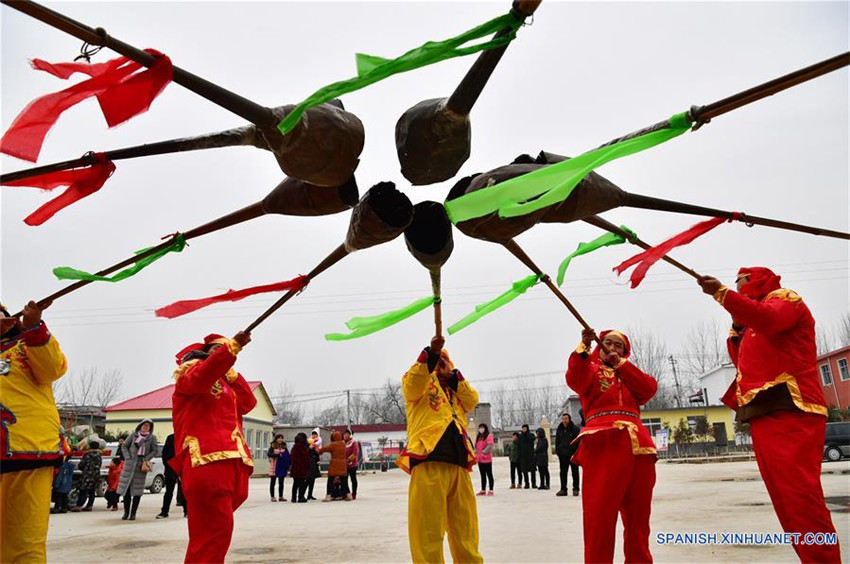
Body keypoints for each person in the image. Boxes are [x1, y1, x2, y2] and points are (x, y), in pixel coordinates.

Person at [698, 267, 841, 562]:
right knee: (785, 502)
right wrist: (737, 327)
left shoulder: (785, 299)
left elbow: (770, 320)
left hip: (792, 408)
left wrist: (722, 294)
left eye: (742, 283)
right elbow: (745, 366)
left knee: (801, 497)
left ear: (760, 281)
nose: (737, 289)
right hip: (763, 412)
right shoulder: (749, 327)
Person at [567, 328, 658, 564]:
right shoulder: (591, 370)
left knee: (639, 517)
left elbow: (649, 389)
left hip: (639, 445)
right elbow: (575, 379)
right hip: (603, 441)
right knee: (599, 516)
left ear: (625, 352)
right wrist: (583, 348)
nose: (613, 348)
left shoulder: (631, 374)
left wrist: (622, 365)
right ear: (599, 346)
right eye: (608, 343)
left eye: (619, 345)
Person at [171, 331, 255, 563]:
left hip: (233, 459)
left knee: (212, 532)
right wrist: (231, 349)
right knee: (215, 532)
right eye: (217, 350)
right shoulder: (190, 373)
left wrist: (232, 373)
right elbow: (202, 377)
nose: (224, 353)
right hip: (207, 459)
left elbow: (249, 403)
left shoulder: (225, 383)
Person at [397, 336, 482, 564]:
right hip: (428, 461)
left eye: (445, 360)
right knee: (428, 533)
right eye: (437, 360)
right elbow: (413, 385)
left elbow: (472, 399)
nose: (441, 363)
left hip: (459, 466)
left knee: (466, 532)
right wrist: (431, 354)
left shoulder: (456, 391)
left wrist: (451, 376)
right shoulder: (419, 384)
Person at [0, 300, 68, 563]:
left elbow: (52, 369)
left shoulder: (27, 344)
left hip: (27, 453)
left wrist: (34, 328)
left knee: (25, 543)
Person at [118, 419, 158, 521]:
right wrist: (127, 456)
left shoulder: (152, 438)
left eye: (148, 426)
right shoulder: (133, 435)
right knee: (126, 490)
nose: (146, 427)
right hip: (129, 465)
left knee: (137, 491)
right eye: (144, 425)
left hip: (140, 467)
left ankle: (133, 513)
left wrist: (146, 458)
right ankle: (126, 512)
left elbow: (155, 450)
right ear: (140, 426)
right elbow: (124, 446)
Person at [157, 433, 186, 518]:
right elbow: (164, 453)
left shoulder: (186, 437)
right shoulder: (170, 438)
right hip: (171, 468)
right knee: (168, 492)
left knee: (184, 491)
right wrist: (168, 464)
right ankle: (164, 512)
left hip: (183, 468)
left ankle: (187, 511)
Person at [71, 440, 102, 512]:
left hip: (87, 475)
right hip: (96, 475)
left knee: (83, 490)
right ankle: (89, 506)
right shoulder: (99, 455)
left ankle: (79, 506)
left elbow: (81, 465)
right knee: (92, 491)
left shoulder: (87, 455)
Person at [318, 431, 350, 501]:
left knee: (330, 480)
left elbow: (325, 449)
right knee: (344, 481)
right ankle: (348, 495)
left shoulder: (333, 444)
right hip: (343, 464)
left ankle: (328, 496)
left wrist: (319, 450)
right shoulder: (343, 444)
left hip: (334, 464)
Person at [555, 413, 581, 497]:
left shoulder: (575, 429)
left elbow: (578, 442)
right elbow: (557, 441)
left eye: (566, 419)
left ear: (569, 419)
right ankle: (563, 489)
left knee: (575, 472)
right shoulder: (559, 429)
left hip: (572, 454)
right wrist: (558, 451)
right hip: (562, 454)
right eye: (563, 419)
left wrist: (576, 453)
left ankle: (576, 489)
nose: (564, 420)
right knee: (563, 472)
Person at [267, 435, 291, 502]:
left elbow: (287, 454)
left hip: (281, 465)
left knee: (281, 481)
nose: (280, 439)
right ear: (276, 439)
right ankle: (272, 496)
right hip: (274, 465)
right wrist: (277, 455)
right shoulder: (273, 445)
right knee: (273, 481)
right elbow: (269, 454)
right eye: (278, 438)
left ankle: (281, 496)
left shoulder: (284, 445)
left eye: (281, 438)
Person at [289, 432, 310, 503]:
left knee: (295, 483)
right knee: (301, 483)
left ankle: (293, 497)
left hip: (295, 468)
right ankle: (300, 497)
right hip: (302, 468)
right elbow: (306, 458)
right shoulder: (303, 448)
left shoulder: (294, 447)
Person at [474, 423, 494, 496]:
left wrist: (484, 452)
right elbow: (475, 445)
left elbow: (490, 445)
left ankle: (491, 490)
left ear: (485, 428)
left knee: (489, 474)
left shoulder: (489, 435)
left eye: (482, 428)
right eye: (480, 428)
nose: (481, 429)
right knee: (482, 475)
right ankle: (483, 490)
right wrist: (475, 452)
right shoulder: (479, 437)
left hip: (487, 459)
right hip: (480, 459)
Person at [517, 424, 536, 489]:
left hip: (531, 455)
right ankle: (526, 483)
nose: (524, 429)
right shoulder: (520, 436)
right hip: (523, 456)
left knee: (532, 470)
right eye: (523, 428)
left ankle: (534, 483)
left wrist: (527, 434)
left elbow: (532, 439)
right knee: (524, 471)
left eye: (525, 428)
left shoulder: (531, 435)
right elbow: (518, 446)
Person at [344, 429, 360, 500]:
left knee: (353, 479)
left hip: (352, 464)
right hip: (344, 464)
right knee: (344, 479)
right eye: (344, 434)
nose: (345, 435)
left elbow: (355, 453)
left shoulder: (354, 442)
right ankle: (347, 493)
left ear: (350, 435)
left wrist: (349, 460)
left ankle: (354, 493)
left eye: (347, 434)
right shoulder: (343, 443)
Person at [306, 432, 321, 501]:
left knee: (313, 480)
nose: (314, 436)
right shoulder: (308, 443)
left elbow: (317, 454)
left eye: (316, 435)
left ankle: (310, 494)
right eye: (313, 434)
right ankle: (302, 493)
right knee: (308, 480)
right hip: (309, 464)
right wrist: (309, 447)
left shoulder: (317, 444)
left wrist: (318, 460)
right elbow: (305, 452)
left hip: (314, 464)